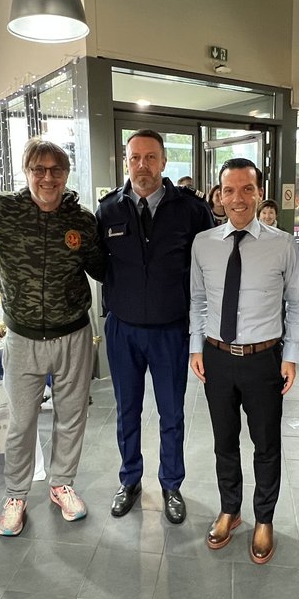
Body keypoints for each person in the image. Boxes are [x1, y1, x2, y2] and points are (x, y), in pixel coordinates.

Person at [0, 137, 106, 537]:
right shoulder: (2, 210)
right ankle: (16, 496)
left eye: (56, 170)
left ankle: (62, 485)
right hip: (22, 337)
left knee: (71, 416)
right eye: (38, 169)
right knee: (22, 422)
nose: (48, 177)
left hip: (73, 334)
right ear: (26, 172)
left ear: (66, 174)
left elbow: (101, 267)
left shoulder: (82, 220)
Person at [189, 158, 299, 565]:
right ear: (219, 196)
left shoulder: (283, 244)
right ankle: (229, 510)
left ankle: (264, 519)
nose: (237, 198)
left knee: (266, 444)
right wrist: (196, 348)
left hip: (264, 360)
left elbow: (297, 303)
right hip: (217, 358)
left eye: (246, 189)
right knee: (224, 442)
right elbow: (198, 300)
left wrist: (291, 356)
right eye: (229, 190)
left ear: (259, 193)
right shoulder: (203, 243)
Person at [97, 130, 216, 524]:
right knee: (127, 411)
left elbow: (206, 270)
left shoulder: (191, 210)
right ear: (126, 161)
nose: (142, 165)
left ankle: (171, 484)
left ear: (164, 162)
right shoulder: (108, 210)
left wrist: (201, 329)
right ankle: (130, 480)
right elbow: (97, 264)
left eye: (150, 157)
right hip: (123, 330)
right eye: (135, 158)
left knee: (171, 414)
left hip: (170, 330)